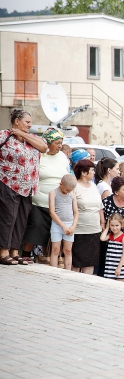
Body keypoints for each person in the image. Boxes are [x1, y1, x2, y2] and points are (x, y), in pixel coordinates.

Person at [0, 109, 47, 266]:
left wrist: (23, 134)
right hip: (8, 183)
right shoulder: (4, 135)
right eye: (27, 122)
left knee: (21, 219)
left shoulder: (31, 138)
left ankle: (14, 251)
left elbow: (44, 147)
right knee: (8, 218)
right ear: (16, 121)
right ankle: (3, 251)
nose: (30, 125)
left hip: (27, 187)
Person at [21, 128, 71, 263]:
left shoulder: (62, 157)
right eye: (57, 143)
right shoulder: (39, 155)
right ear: (48, 142)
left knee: (53, 232)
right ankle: (26, 254)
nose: (60, 146)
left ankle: (49, 257)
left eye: (61, 143)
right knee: (36, 226)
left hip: (58, 202)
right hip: (39, 201)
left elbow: (67, 175)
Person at [71, 159, 103, 275]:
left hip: (94, 230)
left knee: (90, 262)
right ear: (84, 172)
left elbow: (100, 207)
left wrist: (102, 224)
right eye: (92, 170)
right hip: (79, 230)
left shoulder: (94, 186)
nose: (94, 172)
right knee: (76, 263)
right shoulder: (74, 186)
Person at [48, 174, 79, 270]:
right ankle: (54, 271)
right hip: (57, 224)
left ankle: (68, 271)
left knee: (68, 250)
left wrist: (73, 226)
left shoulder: (72, 195)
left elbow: (76, 212)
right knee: (56, 249)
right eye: (67, 190)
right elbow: (52, 212)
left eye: (70, 190)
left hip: (69, 224)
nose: (68, 192)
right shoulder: (53, 193)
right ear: (61, 184)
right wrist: (63, 226)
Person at [100, 213, 124, 281]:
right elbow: (102, 238)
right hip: (111, 264)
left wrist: (119, 267)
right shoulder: (110, 235)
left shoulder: (123, 237)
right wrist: (107, 227)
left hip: (120, 265)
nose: (114, 228)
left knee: (120, 285)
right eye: (112, 225)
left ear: (121, 225)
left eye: (117, 225)